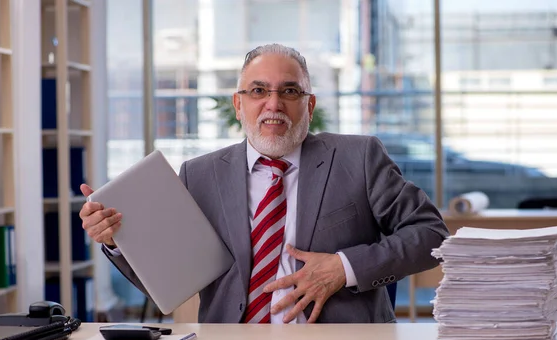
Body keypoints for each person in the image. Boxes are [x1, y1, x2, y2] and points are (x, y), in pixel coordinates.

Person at [79, 43, 449, 324]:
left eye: (289, 91)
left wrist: (343, 267)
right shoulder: (199, 174)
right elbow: (170, 280)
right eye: (258, 91)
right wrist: (116, 240)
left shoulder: (358, 158)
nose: (273, 104)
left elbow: (430, 233)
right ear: (238, 105)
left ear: (310, 105)